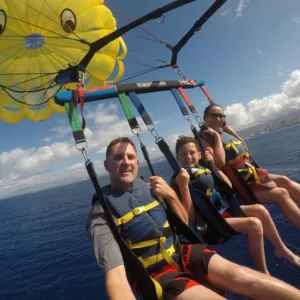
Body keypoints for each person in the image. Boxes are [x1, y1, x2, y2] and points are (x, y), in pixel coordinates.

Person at [87, 136, 300, 300]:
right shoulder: (101, 214)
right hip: (156, 275)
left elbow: (182, 221)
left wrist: (170, 195)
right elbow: (116, 278)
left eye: (131, 157)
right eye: (118, 158)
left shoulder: (151, 187)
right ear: (106, 166)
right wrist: (179, 187)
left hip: (184, 251)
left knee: (245, 278)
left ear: (137, 162)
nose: (126, 162)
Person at [171, 136, 300, 274]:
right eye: (183, 154)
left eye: (191, 153)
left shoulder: (202, 168)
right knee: (254, 224)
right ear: (177, 157)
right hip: (211, 226)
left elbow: (228, 185)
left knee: (260, 210)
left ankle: (281, 249)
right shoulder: (177, 180)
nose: (188, 157)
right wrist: (184, 186)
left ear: (199, 154)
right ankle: (264, 272)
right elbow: (190, 216)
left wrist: (213, 165)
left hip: (224, 212)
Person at [202, 103, 300, 230]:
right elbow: (219, 162)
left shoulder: (224, 133)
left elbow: (243, 145)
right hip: (240, 186)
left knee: (284, 180)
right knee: (280, 194)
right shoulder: (204, 139)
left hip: (252, 175)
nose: (219, 119)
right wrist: (216, 136)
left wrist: (227, 129)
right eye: (215, 115)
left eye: (222, 116)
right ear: (205, 118)